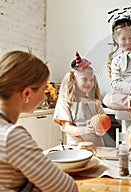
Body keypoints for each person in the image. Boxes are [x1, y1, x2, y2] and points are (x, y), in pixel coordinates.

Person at [0, 50, 78, 191]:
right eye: (44, 90)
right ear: (27, 93)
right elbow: (67, 188)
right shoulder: (11, 136)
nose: (44, 97)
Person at [53, 52, 109, 146]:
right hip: (76, 149)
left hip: (97, 148)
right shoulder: (65, 101)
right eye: (84, 79)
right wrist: (85, 130)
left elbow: (103, 125)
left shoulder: (95, 103)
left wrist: (100, 130)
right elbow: (67, 128)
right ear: (74, 79)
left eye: (91, 80)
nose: (89, 83)